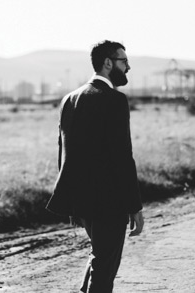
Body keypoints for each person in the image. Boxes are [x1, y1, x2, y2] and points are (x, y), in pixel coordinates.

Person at [46, 40, 144, 293]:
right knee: (105, 266)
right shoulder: (114, 100)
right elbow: (123, 156)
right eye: (124, 61)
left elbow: (64, 151)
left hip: (81, 198)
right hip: (108, 200)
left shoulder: (70, 99)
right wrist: (134, 206)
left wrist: (71, 200)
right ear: (108, 63)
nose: (128, 67)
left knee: (99, 256)